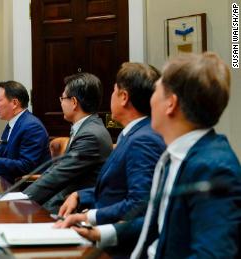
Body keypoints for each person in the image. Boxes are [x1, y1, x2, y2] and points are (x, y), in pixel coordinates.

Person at [57, 52, 241, 258]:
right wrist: (100, 232)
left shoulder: (213, 167)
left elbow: (212, 254)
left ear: (170, 104)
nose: (149, 100)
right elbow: (158, 221)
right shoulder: (177, 154)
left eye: (156, 91)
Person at [56, 63, 165, 226]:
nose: (110, 96)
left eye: (114, 90)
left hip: (117, 239)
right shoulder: (130, 133)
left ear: (124, 97)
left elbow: (139, 204)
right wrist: (80, 195)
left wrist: (91, 217)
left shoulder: (143, 140)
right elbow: (118, 190)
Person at [23, 73, 113, 213]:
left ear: (74, 102)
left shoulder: (90, 135)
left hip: (75, 209)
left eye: (63, 98)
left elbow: (58, 176)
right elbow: (55, 170)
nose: (61, 102)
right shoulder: (85, 128)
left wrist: (20, 201)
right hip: (63, 203)